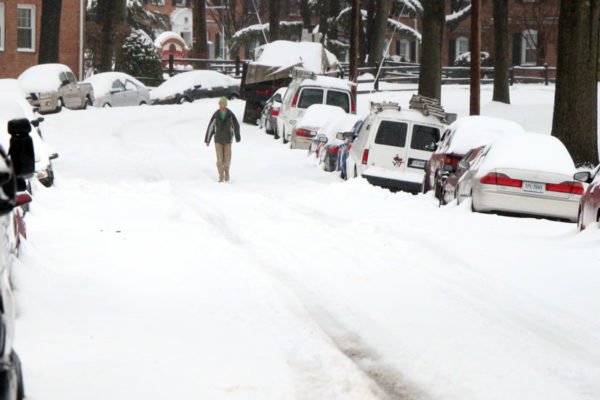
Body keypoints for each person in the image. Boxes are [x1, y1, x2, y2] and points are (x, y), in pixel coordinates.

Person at [205, 96, 241, 182]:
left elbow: (236, 125)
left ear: (225, 105)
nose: (221, 105)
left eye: (222, 104)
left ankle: (227, 172)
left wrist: (237, 136)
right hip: (218, 140)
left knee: (227, 159)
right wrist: (207, 139)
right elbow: (211, 127)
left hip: (228, 140)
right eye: (220, 103)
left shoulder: (230, 114)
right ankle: (221, 176)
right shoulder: (216, 114)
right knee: (219, 160)